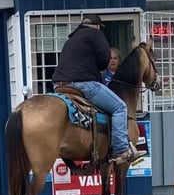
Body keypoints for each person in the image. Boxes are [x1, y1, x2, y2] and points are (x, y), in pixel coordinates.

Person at [52, 14, 144, 165]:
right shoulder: (95, 34)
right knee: (120, 107)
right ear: (96, 25)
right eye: (100, 27)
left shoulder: (71, 39)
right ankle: (121, 150)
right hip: (83, 84)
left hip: (59, 86)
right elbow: (104, 59)